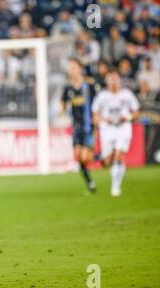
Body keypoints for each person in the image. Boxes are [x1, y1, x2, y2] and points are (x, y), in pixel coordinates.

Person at [92, 69, 140, 197]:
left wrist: (128, 117)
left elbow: (136, 111)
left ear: (119, 79)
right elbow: (95, 114)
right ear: (106, 80)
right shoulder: (102, 96)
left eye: (115, 78)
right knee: (107, 160)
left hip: (123, 127)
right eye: (110, 78)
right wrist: (102, 120)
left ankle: (115, 185)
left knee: (118, 154)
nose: (112, 81)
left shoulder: (126, 94)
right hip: (107, 129)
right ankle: (117, 171)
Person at [60, 59, 98, 193]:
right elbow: (63, 103)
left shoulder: (90, 85)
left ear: (80, 68)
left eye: (74, 67)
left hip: (88, 126)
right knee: (78, 156)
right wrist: (60, 113)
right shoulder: (68, 88)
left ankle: (102, 156)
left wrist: (96, 117)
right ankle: (90, 183)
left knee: (85, 157)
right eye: (70, 68)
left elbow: (97, 103)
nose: (71, 70)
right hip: (76, 127)